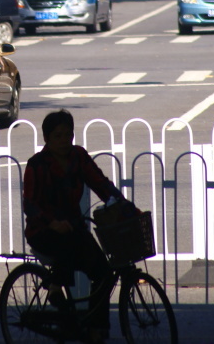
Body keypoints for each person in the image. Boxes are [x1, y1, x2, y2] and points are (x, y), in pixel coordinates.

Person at [23, 110, 132, 344]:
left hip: (74, 228)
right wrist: (52, 222)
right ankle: (54, 287)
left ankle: (96, 330)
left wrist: (122, 204)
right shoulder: (37, 165)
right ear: (47, 139)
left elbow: (100, 183)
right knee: (69, 242)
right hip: (42, 231)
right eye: (58, 136)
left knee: (103, 272)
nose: (64, 141)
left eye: (68, 135)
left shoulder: (78, 157)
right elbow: (29, 204)